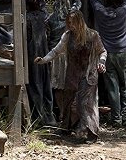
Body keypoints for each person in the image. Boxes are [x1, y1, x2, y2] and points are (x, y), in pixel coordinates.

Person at [35, 10, 107, 142]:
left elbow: (102, 51)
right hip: (72, 74)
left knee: (84, 104)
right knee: (68, 102)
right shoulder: (68, 36)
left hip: (88, 74)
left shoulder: (92, 35)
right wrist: (44, 59)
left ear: (79, 22)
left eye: (72, 23)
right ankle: (66, 128)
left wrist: (102, 63)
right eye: (68, 23)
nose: (70, 25)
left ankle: (89, 133)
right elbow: (56, 51)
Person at [90, 0, 126, 127]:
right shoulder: (125, 10)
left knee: (112, 88)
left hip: (107, 55)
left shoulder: (101, 12)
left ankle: (116, 119)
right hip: (124, 53)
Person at [46, 0, 81, 122]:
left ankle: (61, 112)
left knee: (57, 86)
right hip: (70, 55)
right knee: (71, 84)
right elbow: (78, 1)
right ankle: (70, 113)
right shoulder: (71, 15)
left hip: (55, 56)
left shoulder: (50, 18)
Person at [26, 0, 56, 127]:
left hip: (33, 56)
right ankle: (49, 116)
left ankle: (38, 118)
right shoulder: (45, 16)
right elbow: (42, 2)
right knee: (46, 85)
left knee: (36, 86)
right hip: (44, 54)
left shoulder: (26, 18)